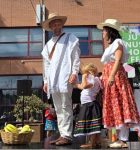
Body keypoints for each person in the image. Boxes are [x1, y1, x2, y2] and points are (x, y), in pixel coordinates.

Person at [97, 19, 140, 148]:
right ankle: (119, 139)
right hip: (110, 77)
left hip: (115, 77)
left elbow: (117, 60)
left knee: (120, 104)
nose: (103, 33)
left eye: (104, 30)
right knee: (114, 105)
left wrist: (111, 76)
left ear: (110, 31)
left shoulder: (118, 42)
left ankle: (123, 139)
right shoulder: (110, 46)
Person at [41, 12, 80, 145]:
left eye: (58, 22)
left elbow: (75, 57)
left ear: (61, 24)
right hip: (52, 79)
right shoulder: (48, 45)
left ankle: (67, 135)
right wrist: (46, 81)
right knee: (57, 108)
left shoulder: (71, 38)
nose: (56, 24)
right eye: (53, 23)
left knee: (66, 105)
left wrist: (74, 72)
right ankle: (62, 134)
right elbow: (46, 64)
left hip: (65, 77)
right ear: (50, 26)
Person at [73, 63, 102, 148]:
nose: (84, 74)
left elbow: (84, 86)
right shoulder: (93, 79)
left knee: (92, 125)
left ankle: (92, 143)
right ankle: (96, 142)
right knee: (92, 124)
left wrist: (84, 77)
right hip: (88, 103)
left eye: (85, 72)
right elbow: (83, 86)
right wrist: (75, 84)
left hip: (90, 104)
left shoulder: (93, 79)